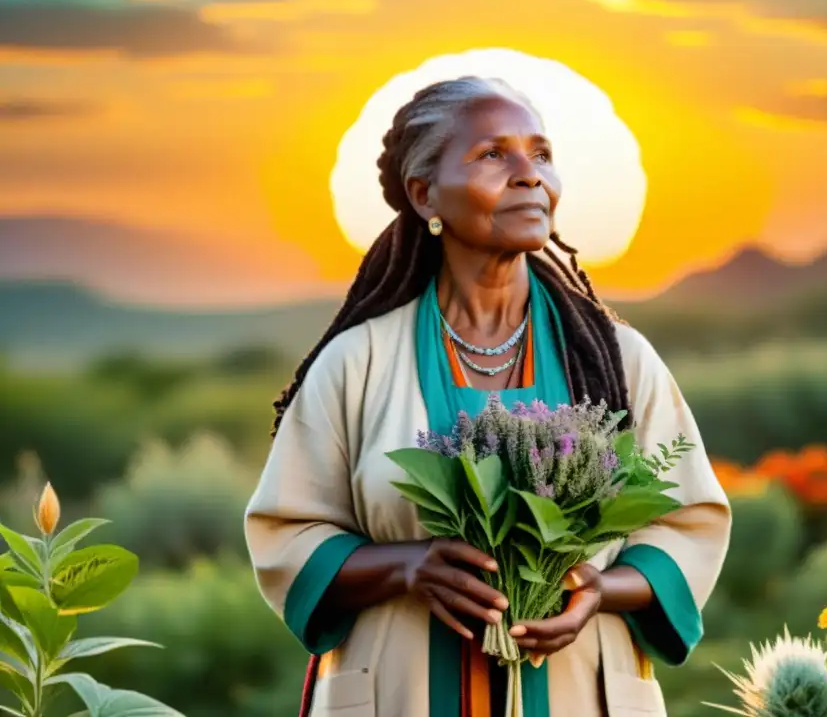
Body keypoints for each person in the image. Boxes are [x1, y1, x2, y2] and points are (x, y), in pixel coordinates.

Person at [244, 76, 731, 717]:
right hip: (402, 692)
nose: (529, 175)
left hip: (582, 692)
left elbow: (688, 521)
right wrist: (407, 566)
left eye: (542, 154)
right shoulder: (356, 363)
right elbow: (286, 534)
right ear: (424, 194)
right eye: (493, 154)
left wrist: (599, 589)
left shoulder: (616, 359)